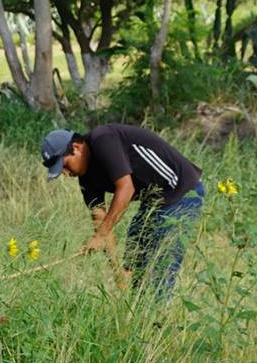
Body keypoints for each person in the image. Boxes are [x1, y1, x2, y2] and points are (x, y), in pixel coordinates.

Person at [40, 125, 203, 297]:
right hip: (154, 202)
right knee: (134, 263)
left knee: (160, 266)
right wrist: (117, 272)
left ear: (76, 148)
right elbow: (101, 224)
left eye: (64, 165)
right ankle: (139, 315)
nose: (65, 173)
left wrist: (101, 236)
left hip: (183, 191)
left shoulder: (102, 139)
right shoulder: (85, 179)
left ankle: (158, 319)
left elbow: (126, 188)